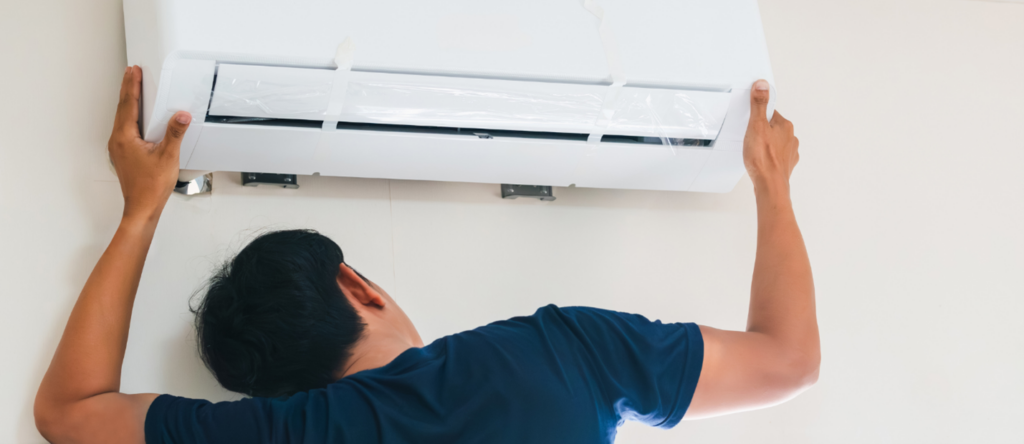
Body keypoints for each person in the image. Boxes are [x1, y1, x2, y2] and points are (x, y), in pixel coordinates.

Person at [34, 66, 818, 444]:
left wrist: (139, 214)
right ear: (357, 285)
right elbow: (787, 361)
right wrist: (772, 184)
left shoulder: (284, 434)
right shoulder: (561, 351)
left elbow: (67, 412)